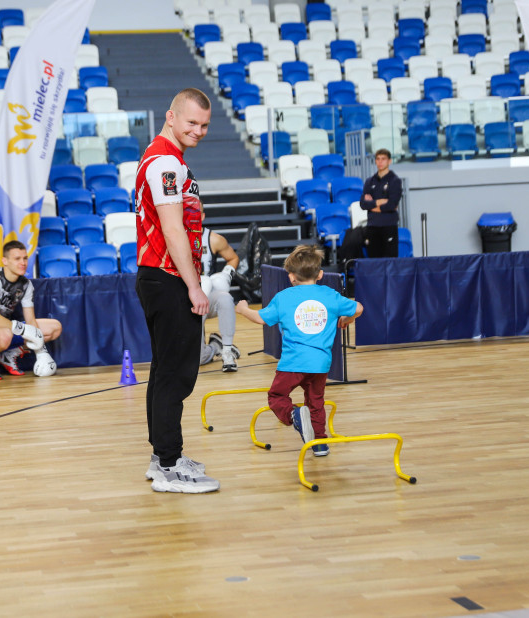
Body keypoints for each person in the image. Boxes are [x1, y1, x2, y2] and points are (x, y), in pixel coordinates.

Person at [135, 87, 220, 494]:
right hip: (167, 279)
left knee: (165, 373)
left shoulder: (165, 157)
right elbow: (172, 229)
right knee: (176, 376)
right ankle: (168, 466)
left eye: (204, 125)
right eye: (191, 122)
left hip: (161, 278)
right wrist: (194, 286)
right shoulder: (165, 162)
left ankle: (161, 457)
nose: (199, 130)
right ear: (171, 117)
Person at [235, 245, 362, 457]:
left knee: (277, 396)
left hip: (292, 363)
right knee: (315, 403)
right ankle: (320, 444)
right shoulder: (329, 295)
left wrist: (243, 309)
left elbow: (260, 319)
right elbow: (358, 308)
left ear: (291, 277)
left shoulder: (284, 297)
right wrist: (345, 320)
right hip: (321, 364)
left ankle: (293, 416)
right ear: (320, 274)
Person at [0, 240, 62, 380]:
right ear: (5, 261)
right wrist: (25, 330)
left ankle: (9, 355)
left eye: (25, 258)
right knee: (5, 335)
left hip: (7, 330)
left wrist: (41, 350)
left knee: (54, 327)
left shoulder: (26, 284)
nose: (22, 263)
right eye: (17, 259)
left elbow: (30, 321)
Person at [198, 211, 241, 372]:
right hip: (185, 297)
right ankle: (216, 345)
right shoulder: (175, 236)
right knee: (199, 359)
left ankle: (227, 351)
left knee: (225, 298)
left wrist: (226, 274)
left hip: (207, 294)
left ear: (202, 215)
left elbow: (233, 258)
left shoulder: (213, 239)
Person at [359, 148, 402, 258]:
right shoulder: (369, 181)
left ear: (389, 161)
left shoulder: (395, 181)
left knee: (390, 261)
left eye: (383, 159)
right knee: (374, 261)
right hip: (373, 225)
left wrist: (372, 205)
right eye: (378, 159)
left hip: (389, 225)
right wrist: (379, 202)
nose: (380, 162)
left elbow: (392, 205)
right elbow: (363, 204)